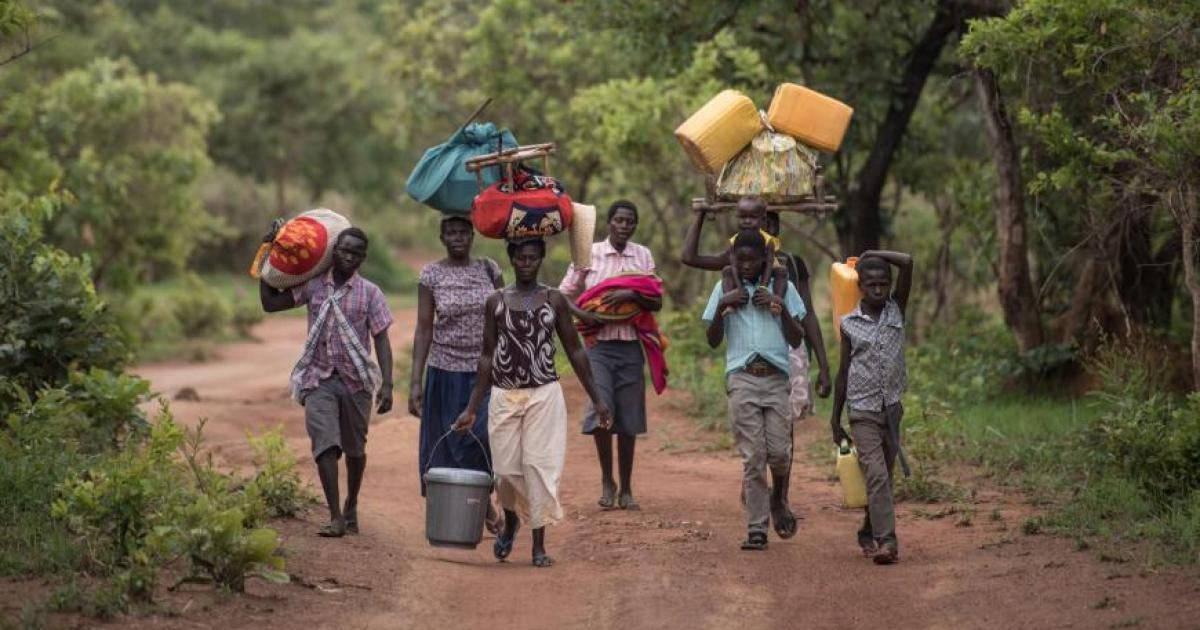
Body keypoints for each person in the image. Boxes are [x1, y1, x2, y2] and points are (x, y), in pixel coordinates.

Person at [453, 238, 613, 567]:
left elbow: (576, 349)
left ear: (540, 260)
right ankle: (511, 519)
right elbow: (486, 356)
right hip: (504, 395)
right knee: (505, 470)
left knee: (538, 467)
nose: (527, 263)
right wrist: (471, 407)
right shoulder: (495, 301)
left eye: (533, 258)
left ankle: (538, 544)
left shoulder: (554, 299)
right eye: (521, 257)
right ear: (511, 258)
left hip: (544, 394)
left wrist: (598, 399)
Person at [260, 226, 394, 538]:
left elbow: (382, 339)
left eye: (355, 253)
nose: (348, 257)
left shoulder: (371, 293)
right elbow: (270, 303)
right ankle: (335, 516)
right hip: (318, 378)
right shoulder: (314, 286)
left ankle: (351, 505)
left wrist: (387, 384)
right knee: (326, 444)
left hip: (356, 382)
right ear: (334, 252)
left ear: (363, 258)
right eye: (344, 250)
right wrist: (269, 252)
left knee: (355, 450)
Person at [702, 229, 806, 551]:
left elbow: (797, 337)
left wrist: (779, 305)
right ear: (732, 260)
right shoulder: (724, 288)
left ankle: (778, 498)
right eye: (740, 259)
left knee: (779, 452)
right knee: (754, 456)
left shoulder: (782, 287)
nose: (746, 266)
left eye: (752, 260)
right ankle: (756, 527)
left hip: (775, 379)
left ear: (764, 259)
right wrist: (722, 306)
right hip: (742, 378)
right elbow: (713, 339)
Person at [558, 200, 660, 511]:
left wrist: (631, 295)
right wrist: (584, 317)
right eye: (619, 220)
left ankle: (627, 487)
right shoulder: (588, 254)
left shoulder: (643, 255)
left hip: (630, 346)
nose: (624, 226)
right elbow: (562, 296)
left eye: (630, 221)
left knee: (627, 420)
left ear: (635, 226)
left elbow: (655, 300)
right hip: (598, 348)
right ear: (609, 223)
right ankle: (606, 480)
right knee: (602, 413)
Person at [408, 216, 504, 532]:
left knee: (481, 439)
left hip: (485, 371)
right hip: (444, 369)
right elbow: (424, 329)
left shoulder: (489, 269)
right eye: (451, 233)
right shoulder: (431, 274)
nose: (458, 237)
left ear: (472, 235)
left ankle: (481, 497)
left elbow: (506, 318)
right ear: (442, 237)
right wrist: (415, 382)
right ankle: (457, 512)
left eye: (463, 232)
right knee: (447, 443)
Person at [829, 250, 913, 565]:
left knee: (884, 478)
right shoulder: (849, 324)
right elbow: (843, 373)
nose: (878, 290)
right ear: (860, 286)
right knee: (876, 474)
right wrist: (835, 419)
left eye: (883, 284)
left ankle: (868, 529)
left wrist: (873, 254)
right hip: (862, 411)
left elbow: (908, 263)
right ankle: (886, 541)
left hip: (891, 408)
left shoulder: (896, 311)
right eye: (871, 284)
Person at [762, 211, 832, 418]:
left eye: (772, 225)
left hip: (790, 352)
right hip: (755, 356)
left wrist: (824, 366)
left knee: (786, 421)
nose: (769, 230)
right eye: (764, 224)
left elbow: (807, 314)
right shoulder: (742, 265)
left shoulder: (792, 263)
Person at [680, 196, 790, 313]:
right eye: (743, 217)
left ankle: (775, 305)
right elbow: (688, 258)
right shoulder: (736, 250)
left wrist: (768, 292)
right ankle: (730, 306)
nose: (747, 222)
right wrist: (701, 214)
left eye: (753, 217)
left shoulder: (774, 253)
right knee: (728, 271)